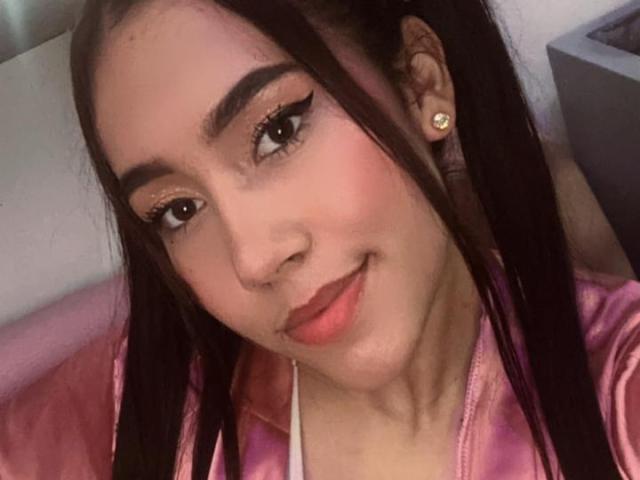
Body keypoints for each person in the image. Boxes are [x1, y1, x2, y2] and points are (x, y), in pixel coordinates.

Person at [1, 0, 638, 478]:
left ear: (421, 84)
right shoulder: (157, 407)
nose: (253, 259)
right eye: (178, 210)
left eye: (277, 131)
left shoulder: (618, 387)